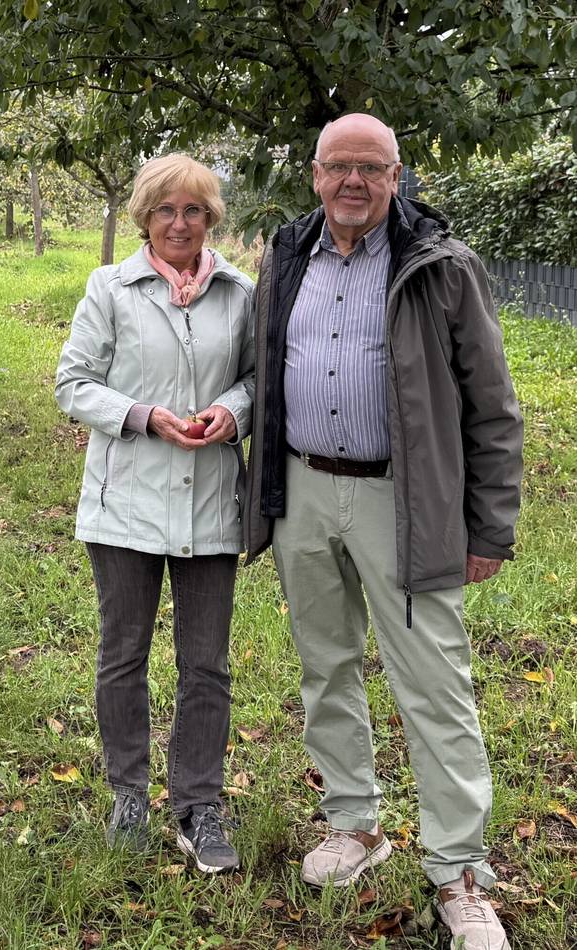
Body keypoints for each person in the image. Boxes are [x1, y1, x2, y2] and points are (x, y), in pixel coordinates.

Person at [243, 114, 523, 949]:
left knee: (434, 684)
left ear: (397, 177)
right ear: (315, 174)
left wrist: (489, 527)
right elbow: (261, 366)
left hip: (405, 502)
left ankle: (459, 871)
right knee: (325, 666)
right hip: (303, 488)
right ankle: (355, 824)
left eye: (371, 167)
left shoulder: (440, 265)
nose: (353, 182)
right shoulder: (286, 255)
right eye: (339, 166)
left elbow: (493, 406)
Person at [56, 153, 254, 873]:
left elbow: (261, 378)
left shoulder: (240, 293)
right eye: (166, 210)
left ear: (211, 219)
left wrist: (232, 411)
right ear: (144, 216)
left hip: (210, 504)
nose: (179, 223)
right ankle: (129, 794)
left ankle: (199, 803)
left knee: (206, 664)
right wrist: (143, 415)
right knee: (124, 656)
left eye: (194, 210)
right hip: (126, 505)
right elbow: (73, 383)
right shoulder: (110, 289)